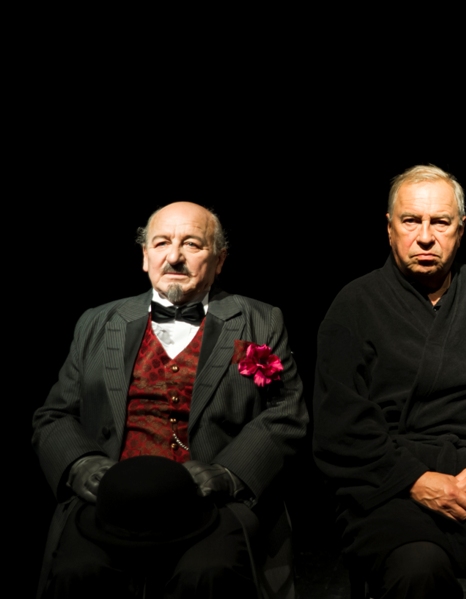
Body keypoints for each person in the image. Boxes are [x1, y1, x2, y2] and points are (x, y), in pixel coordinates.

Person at [32, 202, 308, 598]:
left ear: (219, 260)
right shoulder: (97, 322)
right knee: (79, 571)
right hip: (110, 502)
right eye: (161, 243)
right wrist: (81, 466)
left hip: (211, 505)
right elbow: (55, 414)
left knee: (208, 574)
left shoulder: (261, 320)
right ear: (145, 257)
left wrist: (227, 475)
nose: (174, 256)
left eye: (192, 244)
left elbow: (286, 413)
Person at [313, 165, 466, 598]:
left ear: (460, 230)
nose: (425, 237)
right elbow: (341, 421)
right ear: (389, 228)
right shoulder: (354, 305)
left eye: (440, 222)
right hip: (394, 486)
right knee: (418, 568)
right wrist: (414, 479)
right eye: (411, 221)